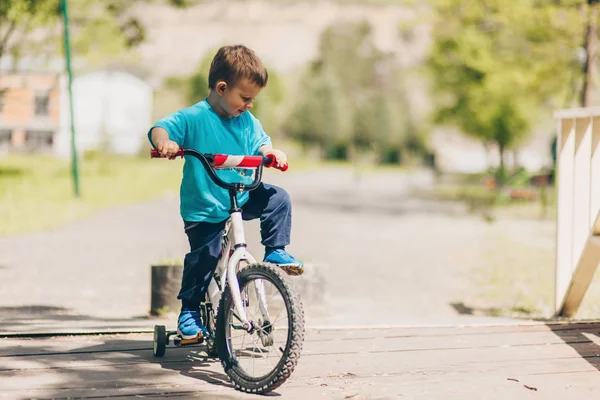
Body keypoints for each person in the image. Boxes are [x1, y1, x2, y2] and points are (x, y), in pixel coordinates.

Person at [148, 44, 303, 339]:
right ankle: (190, 312)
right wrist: (164, 142)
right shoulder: (194, 118)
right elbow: (161, 128)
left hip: (240, 195)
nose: (249, 105)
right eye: (245, 98)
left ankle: (276, 251)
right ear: (222, 87)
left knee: (278, 199)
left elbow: (262, 143)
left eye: (253, 99)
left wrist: (271, 152)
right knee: (205, 255)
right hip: (205, 205)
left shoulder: (247, 121)